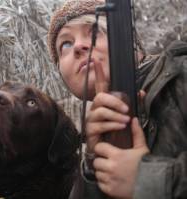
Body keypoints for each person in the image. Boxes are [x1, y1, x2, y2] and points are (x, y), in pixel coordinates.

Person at [47, 0, 187, 198]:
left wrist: (149, 180)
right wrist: (94, 165)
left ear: (132, 45)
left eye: (95, 31)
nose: (78, 46)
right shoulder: (92, 136)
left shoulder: (180, 74)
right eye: (66, 44)